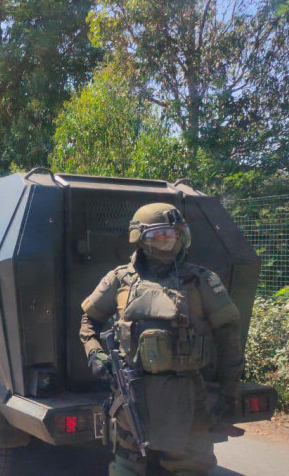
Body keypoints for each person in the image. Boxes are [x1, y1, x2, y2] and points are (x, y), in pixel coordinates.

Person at [79, 203, 244, 475]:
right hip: (133, 395)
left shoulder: (201, 281)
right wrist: (95, 353)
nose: (170, 240)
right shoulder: (120, 279)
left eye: (175, 233)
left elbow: (228, 338)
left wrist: (228, 392)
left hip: (187, 397)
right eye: (161, 234)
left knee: (193, 467)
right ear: (139, 237)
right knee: (127, 467)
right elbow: (88, 321)